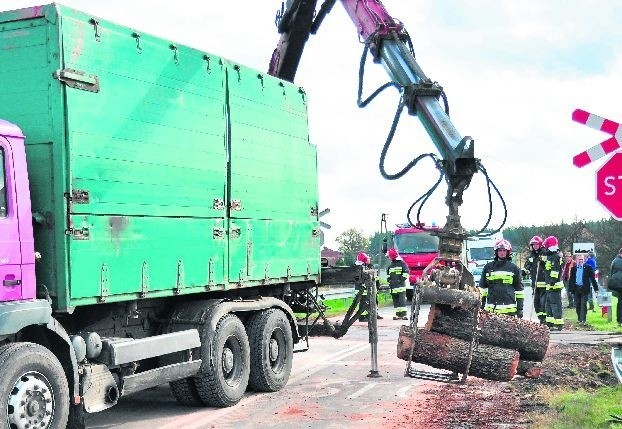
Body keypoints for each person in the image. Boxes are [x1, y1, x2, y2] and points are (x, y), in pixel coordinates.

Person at [480, 239, 524, 317]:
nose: (502, 253)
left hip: (509, 310)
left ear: (508, 252)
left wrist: (520, 309)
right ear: (496, 252)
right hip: (492, 310)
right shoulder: (488, 267)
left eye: (504, 250)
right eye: (500, 250)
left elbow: (519, 290)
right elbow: (483, 289)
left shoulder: (514, 268)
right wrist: (481, 305)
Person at [568, 254, 599, 326]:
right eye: (579, 259)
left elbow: (593, 279)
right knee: (578, 304)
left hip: (584, 289)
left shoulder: (588, 268)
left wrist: (596, 289)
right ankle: (579, 318)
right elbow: (571, 280)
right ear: (576, 260)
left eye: (582, 259)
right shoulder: (573, 268)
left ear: (584, 260)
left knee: (583, 304)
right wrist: (570, 289)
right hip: (576, 288)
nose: (580, 261)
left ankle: (583, 319)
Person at [524, 235, 547, 324]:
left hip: (543, 282)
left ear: (540, 244)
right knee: (536, 302)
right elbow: (527, 265)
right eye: (533, 245)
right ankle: (540, 317)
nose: (535, 246)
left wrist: (543, 261)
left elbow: (547, 264)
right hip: (535, 283)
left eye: (536, 244)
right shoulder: (532, 256)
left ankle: (544, 319)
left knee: (543, 302)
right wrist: (524, 271)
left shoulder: (544, 253)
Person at [543, 236, 564, 331]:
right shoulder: (550, 257)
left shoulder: (555, 257)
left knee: (555, 305)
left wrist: (552, 281)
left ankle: (558, 324)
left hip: (554, 286)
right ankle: (550, 324)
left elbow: (555, 270)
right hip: (549, 286)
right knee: (549, 306)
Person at [355, 252, 382, 321]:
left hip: (368, 288)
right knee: (364, 303)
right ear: (364, 260)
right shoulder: (361, 268)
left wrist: (377, 286)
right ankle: (362, 317)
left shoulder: (367, 266)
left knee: (374, 301)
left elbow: (376, 278)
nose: (369, 260)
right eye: (367, 259)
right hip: (363, 289)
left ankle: (374, 314)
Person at [386, 248, 409, 320]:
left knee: (402, 301)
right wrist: (389, 280)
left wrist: (400, 280)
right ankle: (398, 314)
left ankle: (404, 315)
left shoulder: (402, 264)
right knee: (396, 301)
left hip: (400, 287)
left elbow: (406, 273)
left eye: (389, 256)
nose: (389, 258)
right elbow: (388, 275)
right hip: (393, 287)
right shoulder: (390, 266)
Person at [608, 248, 622, 327]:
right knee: (620, 303)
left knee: (620, 302)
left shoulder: (615, 261)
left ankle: (619, 320)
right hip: (620, 284)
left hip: (618, 284)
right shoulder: (618, 261)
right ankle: (620, 320)